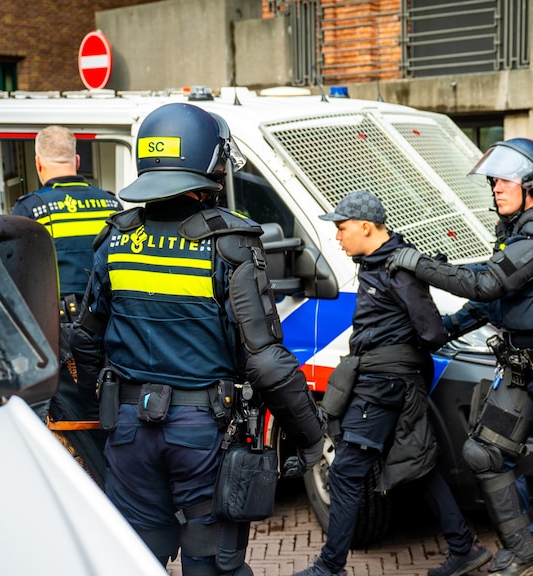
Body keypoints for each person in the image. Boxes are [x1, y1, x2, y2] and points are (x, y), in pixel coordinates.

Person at [69, 103, 325, 576]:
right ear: (209, 162)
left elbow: (85, 339)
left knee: (135, 558)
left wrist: (102, 403)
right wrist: (311, 435)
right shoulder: (230, 243)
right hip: (203, 431)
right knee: (211, 562)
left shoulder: (116, 237)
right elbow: (266, 361)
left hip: (128, 432)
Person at [387, 138, 533, 576]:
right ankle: (528, 551)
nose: (496, 187)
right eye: (493, 180)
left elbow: (488, 284)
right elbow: (494, 303)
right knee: (485, 453)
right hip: (519, 367)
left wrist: (418, 263)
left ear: (532, 183)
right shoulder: (514, 233)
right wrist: (442, 332)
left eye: (505, 179)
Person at [295, 189, 491, 576]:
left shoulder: (397, 270)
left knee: (348, 472)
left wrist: (398, 352)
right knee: (412, 465)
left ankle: (329, 567)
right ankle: (463, 547)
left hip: (383, 387)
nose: (337, 236)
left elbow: (432, 331)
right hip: (386, 383)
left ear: (366, 227)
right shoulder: (377, 263)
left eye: (342, 228)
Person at [11, 125, 120, 418]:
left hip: (59, 339)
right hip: (112, 330)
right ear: (77, 161)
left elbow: (14, 280)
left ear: (37, 163)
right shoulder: (111, 205)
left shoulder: (29, 209)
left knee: (68, 423)